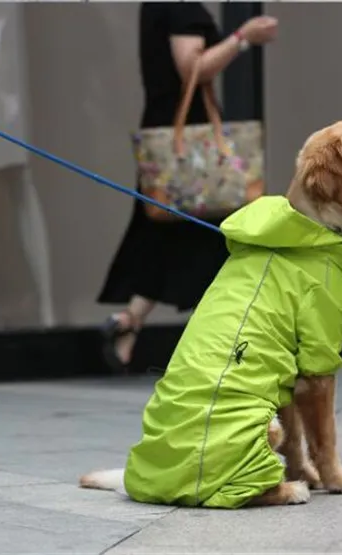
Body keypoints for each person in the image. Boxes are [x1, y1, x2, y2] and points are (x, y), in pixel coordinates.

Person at [97, 3, 278, 371]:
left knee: (169, 236)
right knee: (212, 237)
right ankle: (216, 349)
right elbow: (191, 67)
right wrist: (243, 39)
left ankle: (129, 325)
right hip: (192, 150)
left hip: (172, 138)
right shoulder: (181, 6)